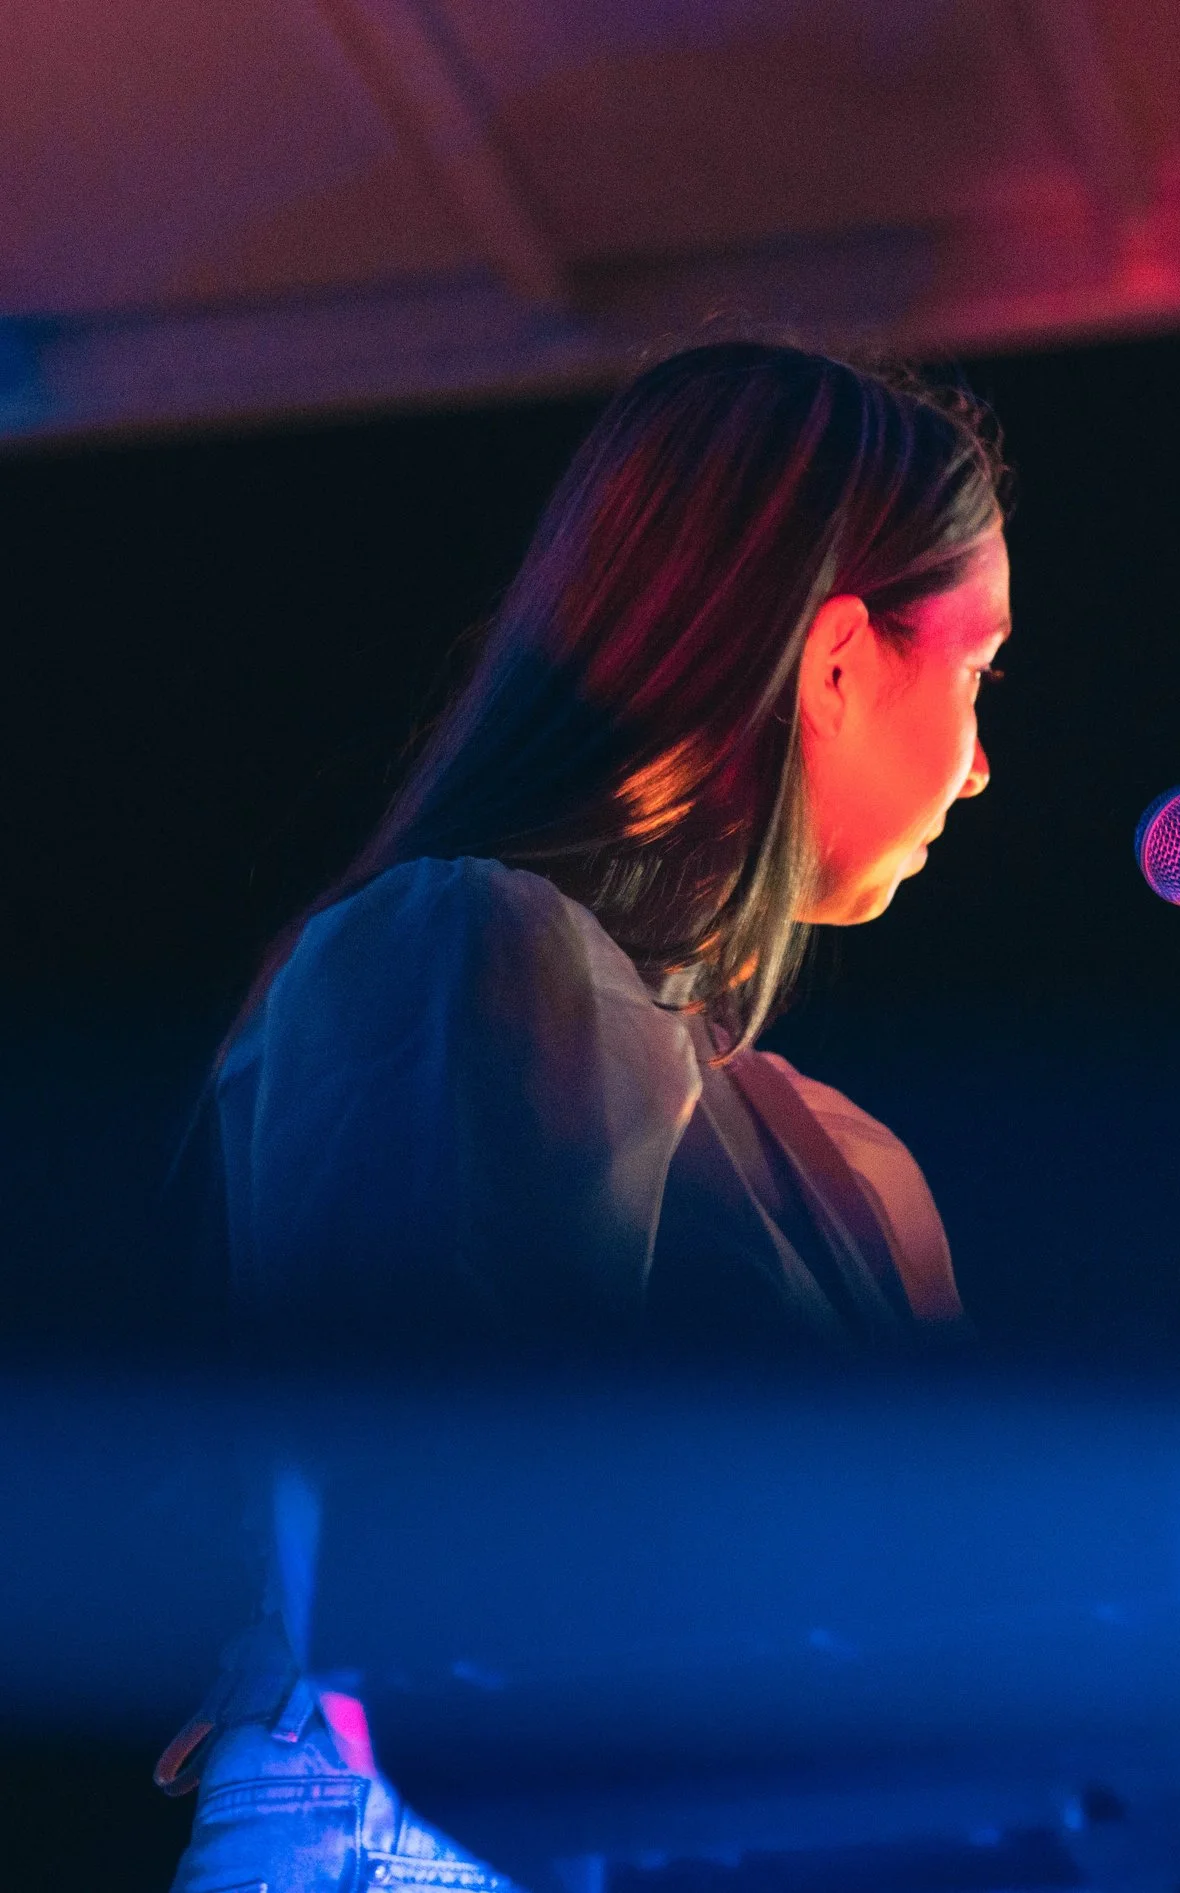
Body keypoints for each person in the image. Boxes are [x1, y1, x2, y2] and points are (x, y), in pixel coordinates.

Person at [159, 342, 1013, 1891]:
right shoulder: (464, 952)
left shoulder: (829, 1149)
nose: (979, 765)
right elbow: (449, 1574)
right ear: (834, 663)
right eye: (976, 670)